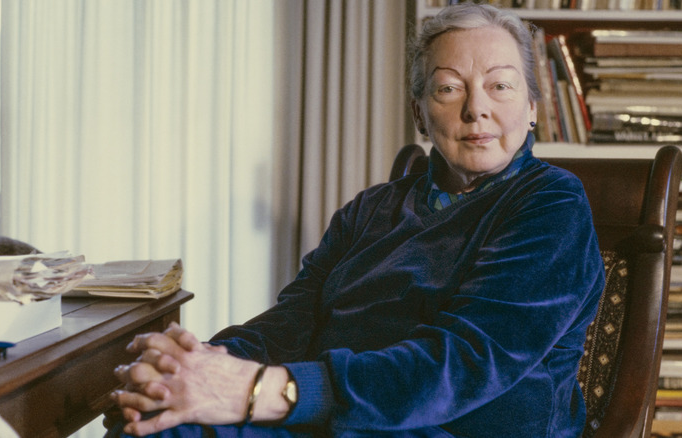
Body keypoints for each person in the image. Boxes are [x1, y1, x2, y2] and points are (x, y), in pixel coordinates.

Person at [108, 3, 605, 437]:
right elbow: (292, 321)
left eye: (500, 85)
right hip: (333, 415)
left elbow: (463, 363)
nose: (477, 109)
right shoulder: (371, 209)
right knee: (155, 414)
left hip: (452, 427)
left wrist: (262, 390)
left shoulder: (551, 203)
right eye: (449, 89)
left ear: (533, 108)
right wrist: (197, 364)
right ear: (419, 113)